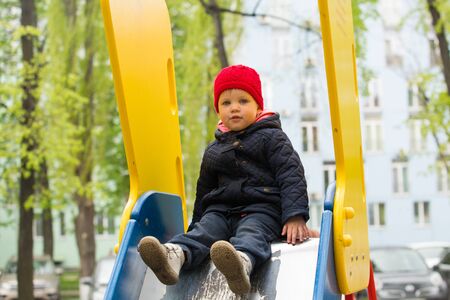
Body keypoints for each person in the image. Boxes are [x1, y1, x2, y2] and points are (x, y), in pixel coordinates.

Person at [138, 64, 317, 295]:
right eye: (226, 103)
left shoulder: (272, 138)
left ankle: (241, 263)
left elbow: (291, 174)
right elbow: (204, 191)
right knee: (204, 232)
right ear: (218, 110)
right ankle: (174, 256)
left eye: (243, 101)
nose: (235, 108)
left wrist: (294, 215)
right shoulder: (214, 149)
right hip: (221, 211)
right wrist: (197, 223)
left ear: (258, 106)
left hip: (262, 209)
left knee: (252, 233)